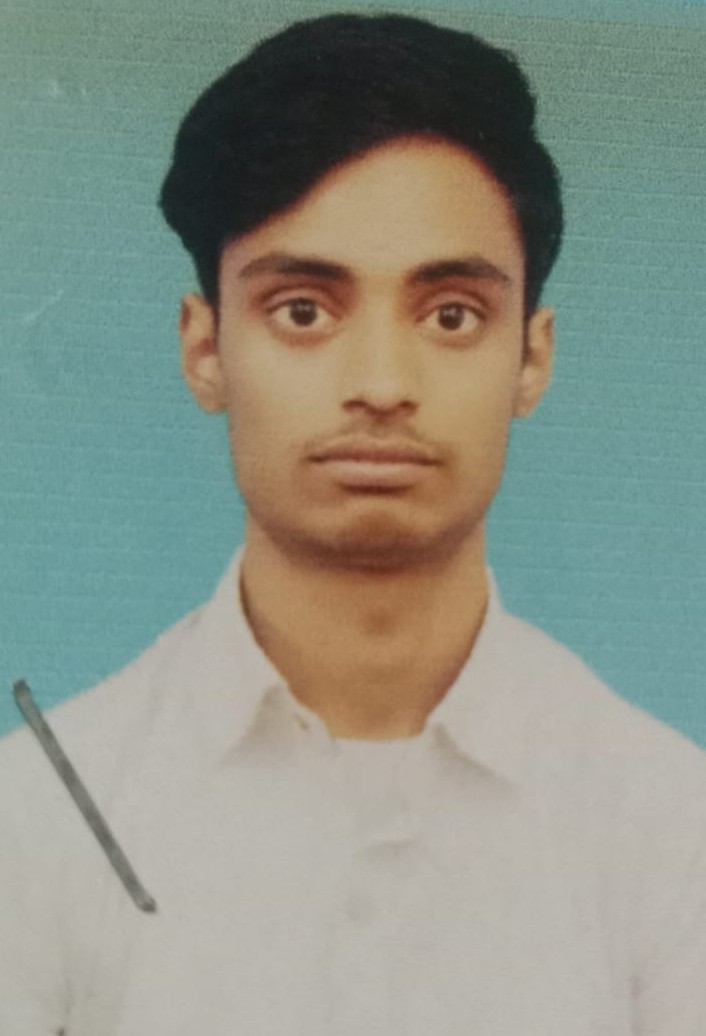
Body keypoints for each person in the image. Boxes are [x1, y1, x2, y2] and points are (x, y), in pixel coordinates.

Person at [1, 12, 704, 1035]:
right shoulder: (38, 816)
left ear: (531, 357)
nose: (380, 384)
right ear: (205, 348)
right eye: (303, 310)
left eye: (451, 314)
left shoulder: (670, 827)